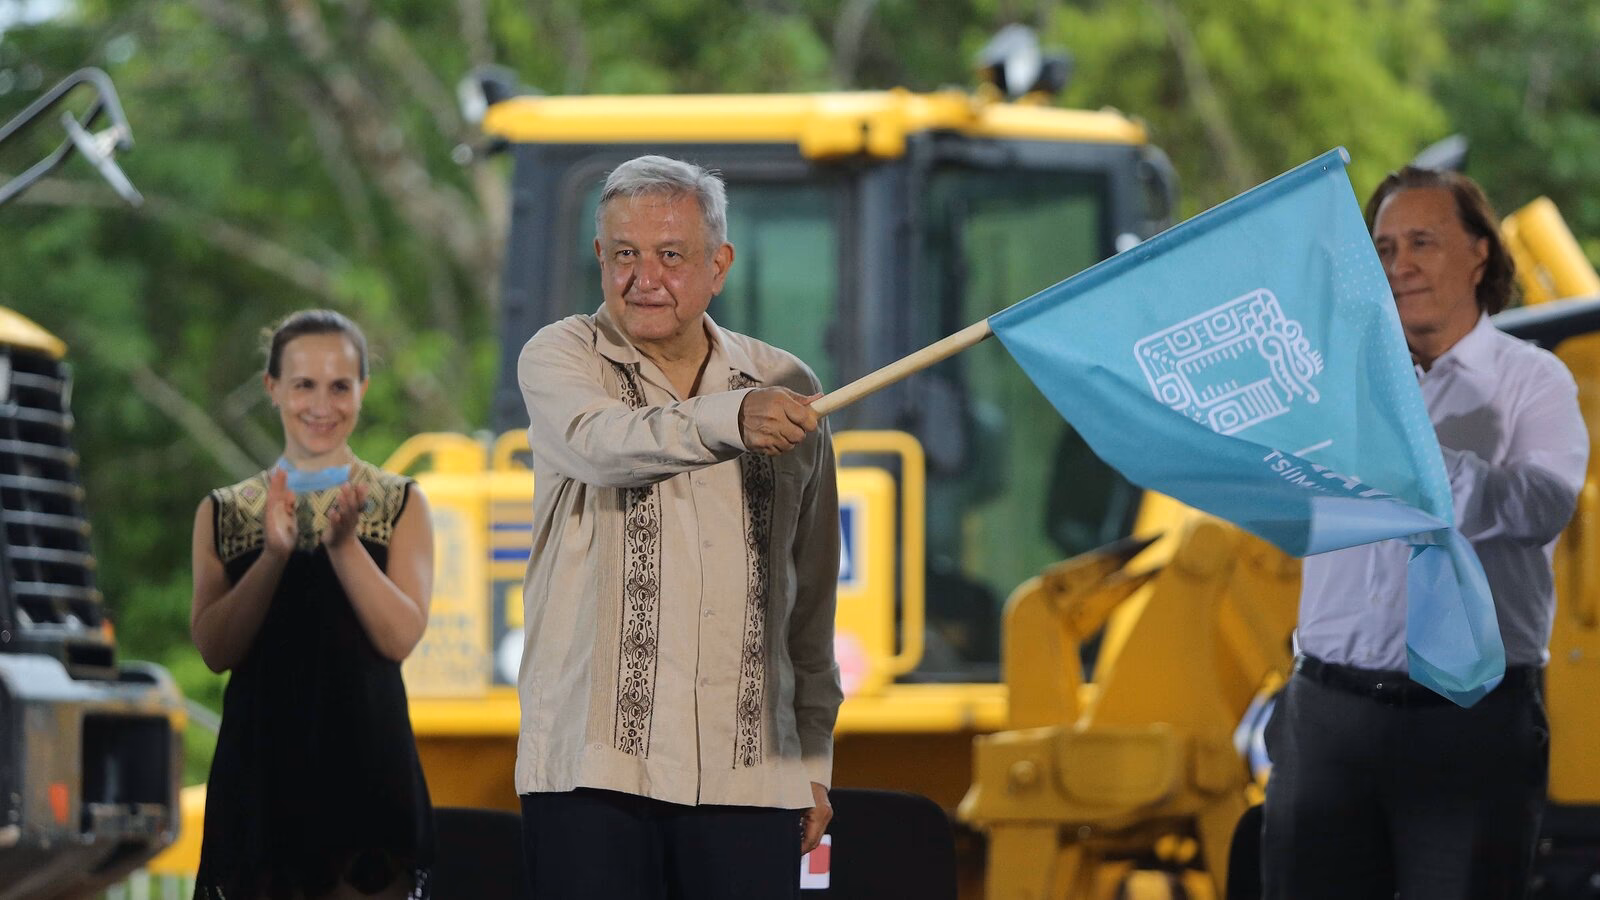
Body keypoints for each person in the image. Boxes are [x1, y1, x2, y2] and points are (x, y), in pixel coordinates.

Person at [515, 154, 842, 899]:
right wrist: (732, 418)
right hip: (591, 772)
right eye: (624, 255)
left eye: (671, 255)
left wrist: (812, 762)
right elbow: (603, 444)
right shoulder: (562, 356)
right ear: (600, 257)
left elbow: (810, 595)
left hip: (752, 776)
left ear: (719, 265)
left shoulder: (787, 385)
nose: (644, 279)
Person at [1261, 167, 1588, 898]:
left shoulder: (1534, 381)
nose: (1398, 264)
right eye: (1381, 248)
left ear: (1479, 253)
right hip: (1326, 719)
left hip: (1468, 724)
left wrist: (1418, 464)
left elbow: (1543, 506)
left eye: (1421, 242)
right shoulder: (1329, 386)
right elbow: (1287, 508)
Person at [190, 310, 436, 899]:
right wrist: (274, 556)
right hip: (259, 787)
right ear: (272, 388)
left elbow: (400, 637)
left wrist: (344, 546)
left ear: (362, 392)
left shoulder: (402, 503)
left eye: (339, 385)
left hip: (368, 786)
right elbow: (215, 649)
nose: (321, 403)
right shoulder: (223, 513)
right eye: (304, 384)